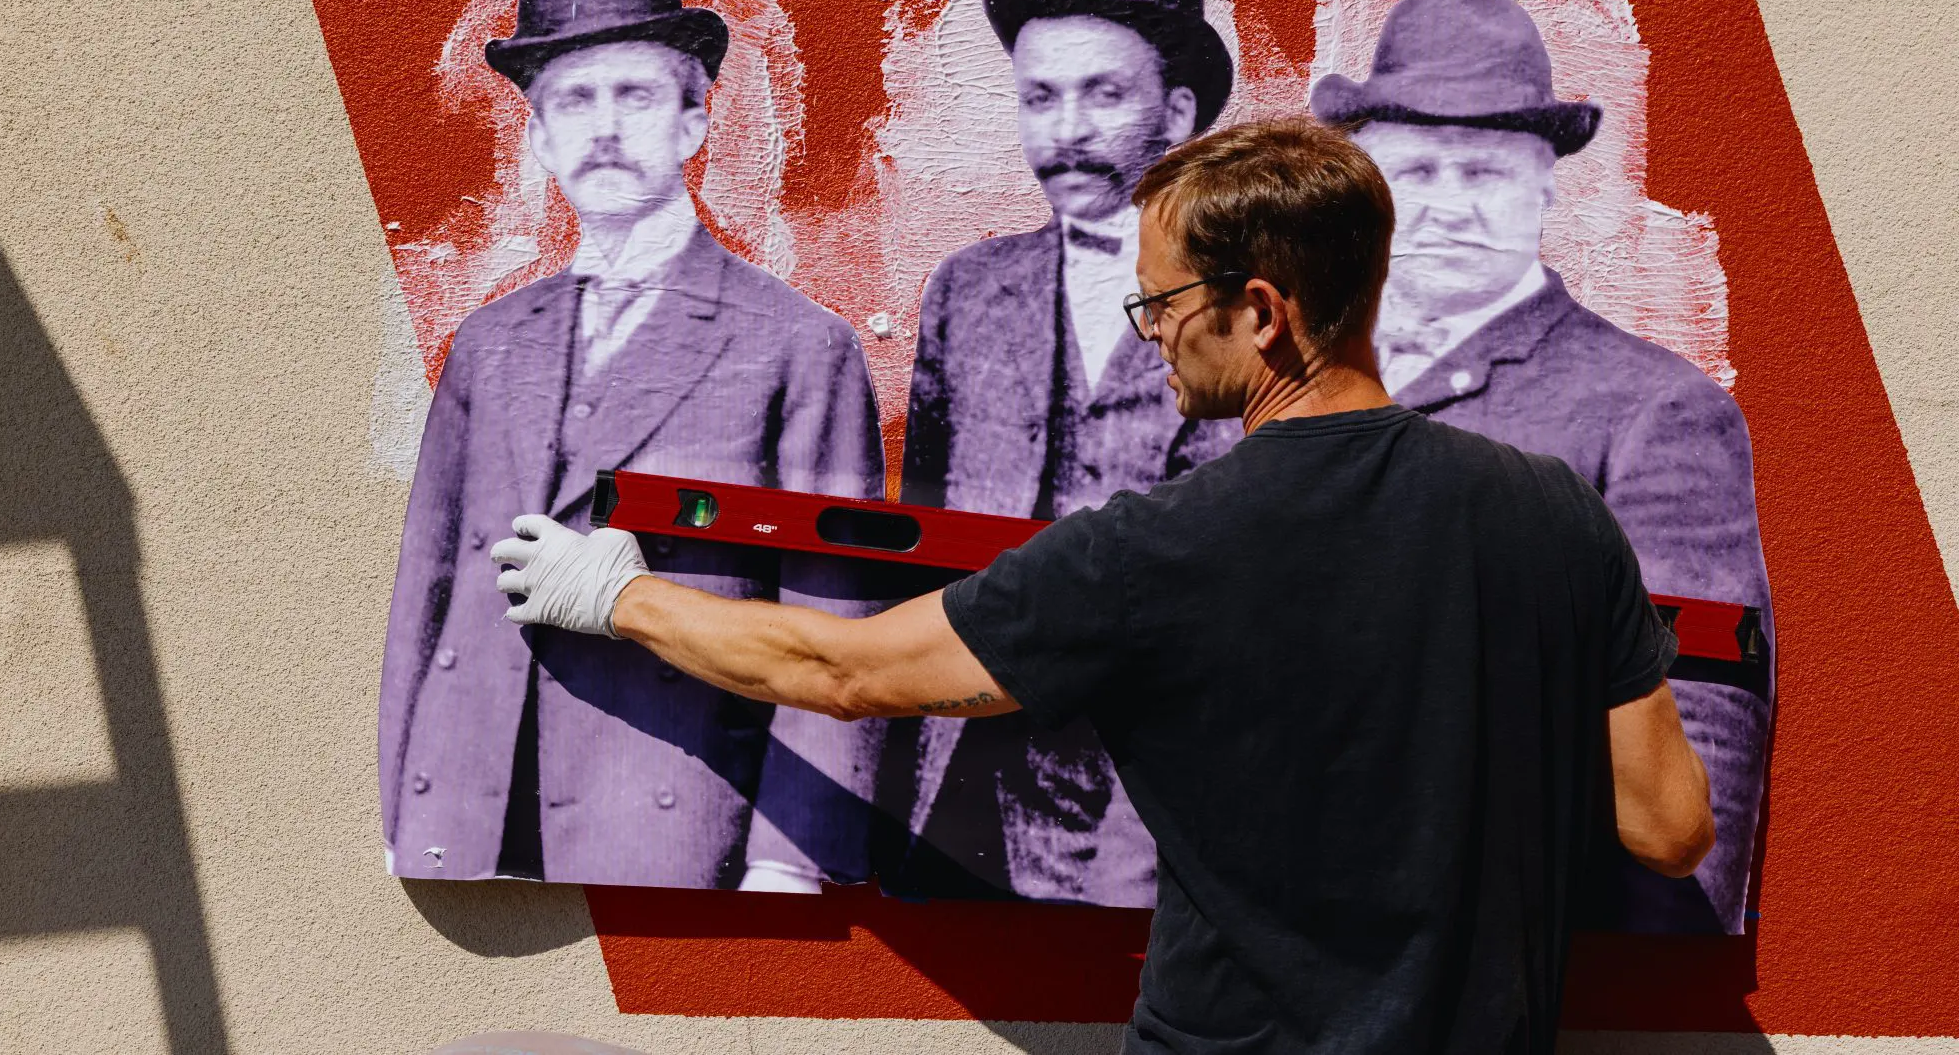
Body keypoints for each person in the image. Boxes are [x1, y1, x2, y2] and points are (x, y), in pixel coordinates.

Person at [491, 118, 1715, 1055]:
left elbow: (844, 671)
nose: (1149, 332)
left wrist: (618, 595)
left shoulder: (1158, 552)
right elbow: (1667, 827)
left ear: (1262, 311)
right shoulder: (1555, 515)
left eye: (1164, 301)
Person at [377, 0, 885, 890]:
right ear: (536, 137)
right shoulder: (488, 345)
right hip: (471, 813)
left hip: (668, 814)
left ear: (695, 122)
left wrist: (791, 864)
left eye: (636, 96)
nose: (603, 129)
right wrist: (401, 812)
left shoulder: (797, 346)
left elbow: (835, 618)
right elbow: (425, 589)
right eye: (573, 100)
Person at [1309, 0, 1771, 934]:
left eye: (1482, 174)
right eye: (1416, 171)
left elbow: (1702, 727)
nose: (1444, 207)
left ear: (1545, 189)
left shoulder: (1657, 411)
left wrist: (1625, 963)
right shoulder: (1289, 379)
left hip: (1486, 938)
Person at [893, 0, 1242, 906]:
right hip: (956, 792)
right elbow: (914, 544)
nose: (1067, 132)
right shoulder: (967, 291)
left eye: (1102, 94)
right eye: (1039, 98)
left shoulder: (1257, 309)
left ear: (1174, 112)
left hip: (1150, 809)